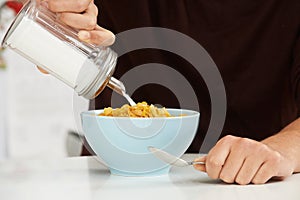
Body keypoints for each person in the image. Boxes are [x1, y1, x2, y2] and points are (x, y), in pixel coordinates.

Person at [44, 0, 300, 185]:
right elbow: (59, 22)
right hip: (114, 182)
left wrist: (278, 150)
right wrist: (53, 20)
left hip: (253, 186)